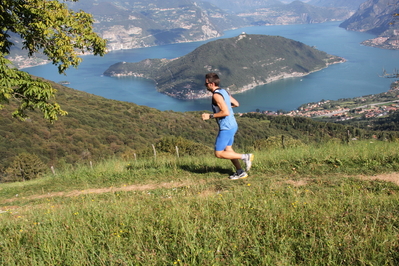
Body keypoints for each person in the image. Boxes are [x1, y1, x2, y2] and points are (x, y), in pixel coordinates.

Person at [201, 72, 254, 180]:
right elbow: (236, 104)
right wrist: (226, 108)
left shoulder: (216, 95)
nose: (205, 85)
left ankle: (245, 157)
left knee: (219, 153)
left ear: (211, 84)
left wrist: (210, 116)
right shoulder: (223, 91)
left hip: (226, 127)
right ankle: (240, 172)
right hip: (233, 125)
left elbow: (225, 112)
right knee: (228, 150)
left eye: (206, 83)